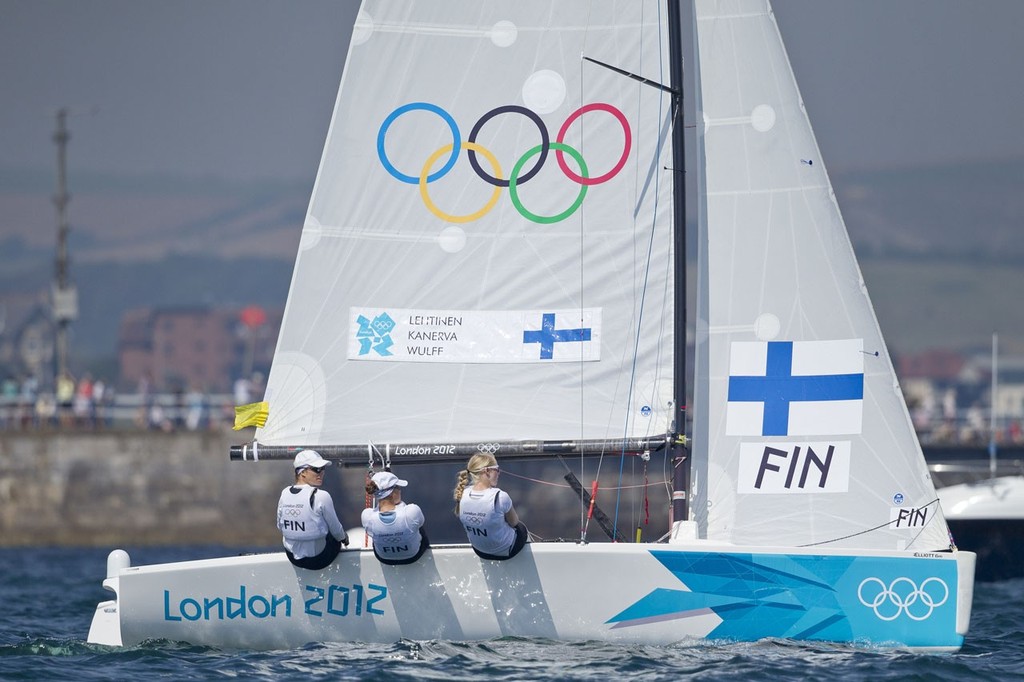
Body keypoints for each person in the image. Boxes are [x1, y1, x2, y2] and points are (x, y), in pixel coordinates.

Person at [277, 449, 349, 570]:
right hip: (319, 560)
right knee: (336, 535)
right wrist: (345, 539)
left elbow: (280, 526)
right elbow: (337, 531)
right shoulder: (322, 495)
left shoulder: (284, 493)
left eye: (323, 469)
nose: (321, 473)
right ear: (303, 472)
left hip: (293, 558)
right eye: (316, 469)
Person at [453, 453, 528, 560]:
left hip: (479, 551)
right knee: (521, 528)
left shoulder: (462, 494)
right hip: (507, 551)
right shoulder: (500, 496)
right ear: (487, 471)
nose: (499, 473)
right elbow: (514, 522)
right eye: (497, 469)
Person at [361, 471, 429, 565]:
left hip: (384, 558)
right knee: (415, 524)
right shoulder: (412, 510)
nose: (400, 490)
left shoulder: (366, 515)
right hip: (413, 556)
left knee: (374, 528)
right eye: (398, 487)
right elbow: (420, 523)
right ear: (392, 493)